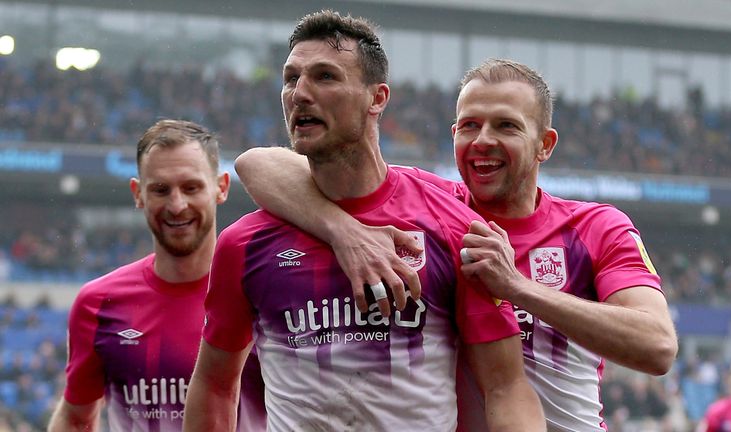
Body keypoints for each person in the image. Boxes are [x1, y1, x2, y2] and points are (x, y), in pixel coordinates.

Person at [234, 58, 679, 431]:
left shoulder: (595, 226)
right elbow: (258, 164)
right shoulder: (435, 211)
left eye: (506, 125)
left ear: (544, 144)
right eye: (470, 125)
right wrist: (343, 230)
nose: (483, 140)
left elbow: (656, 345)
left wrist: (519, 288)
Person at [183, 11, 544, 432]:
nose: (300, 93)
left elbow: (504, 386)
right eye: (291, 78)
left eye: (325, 77)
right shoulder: (245, 244)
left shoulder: (450, 223)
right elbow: (213, 384)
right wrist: (344, 232)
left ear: (377, 98)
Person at [47, 120, 265, 431]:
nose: (177, 205)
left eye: (191, 187)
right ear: (138, 194)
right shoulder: (99, 304)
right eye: (161, 189)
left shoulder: (262, 294)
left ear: (221, 187)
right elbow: (75, 419)